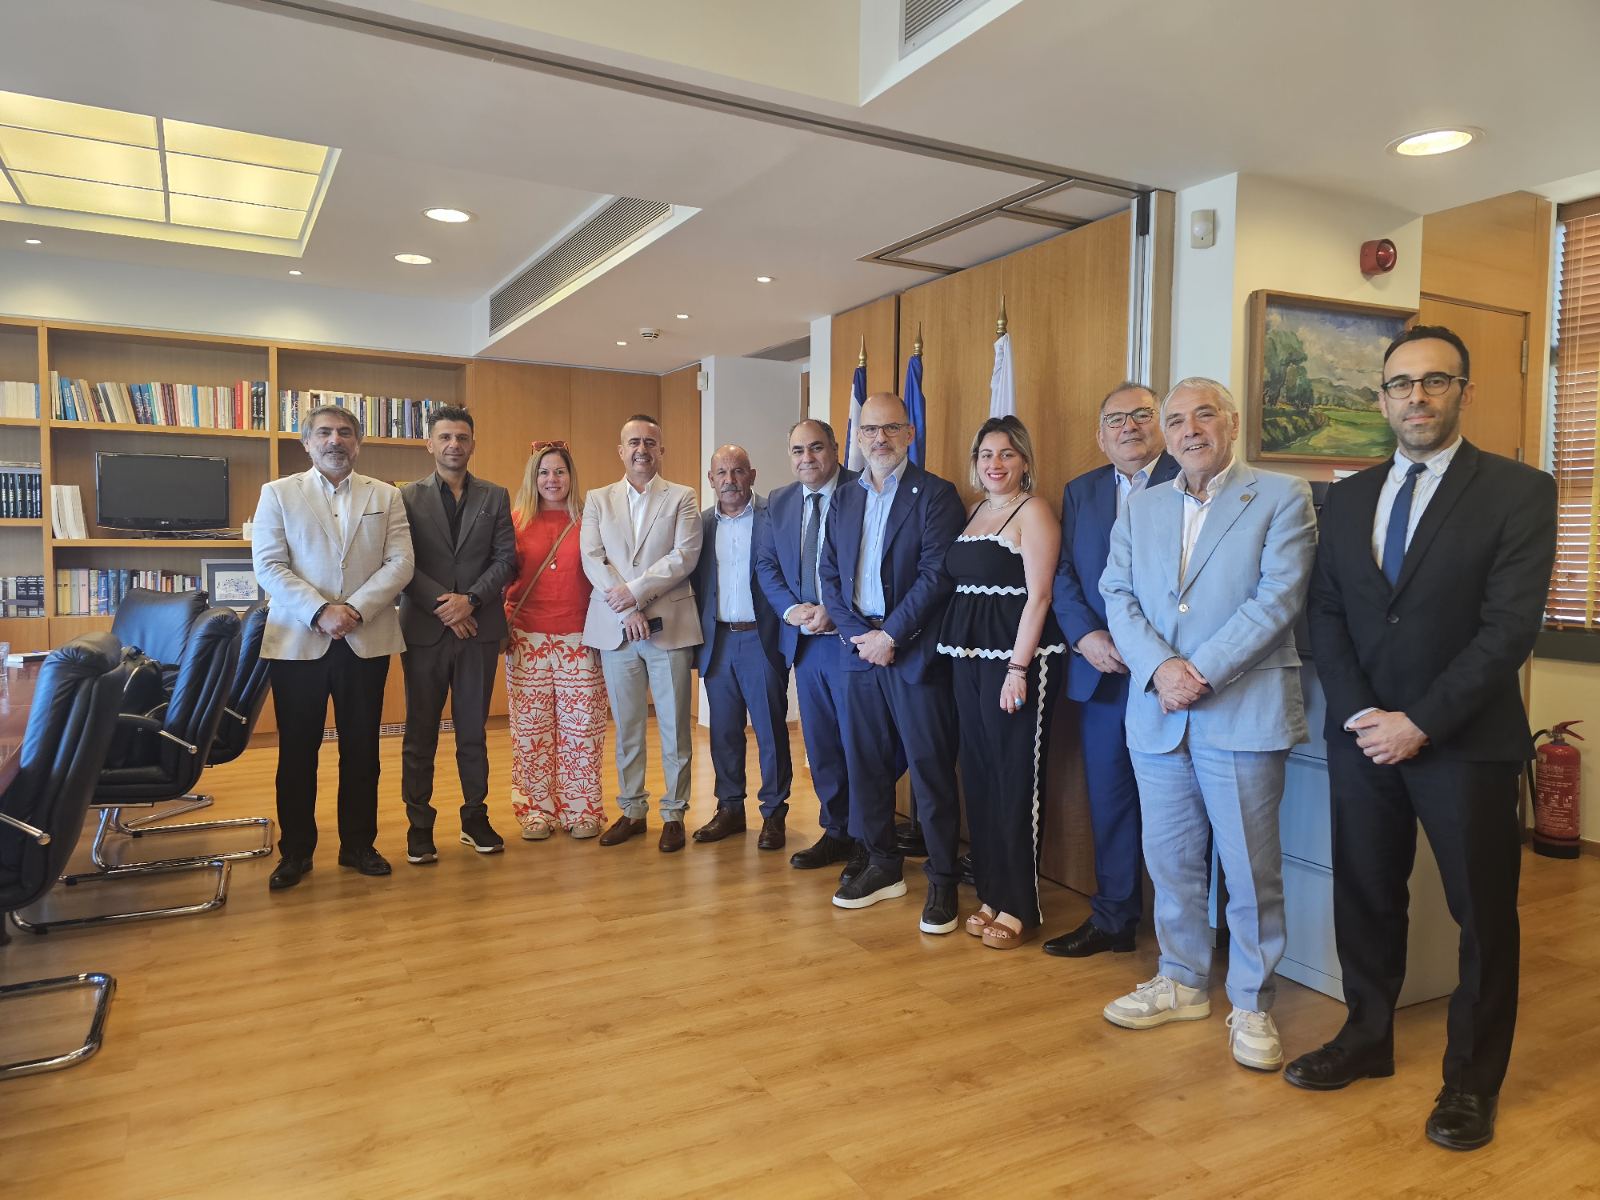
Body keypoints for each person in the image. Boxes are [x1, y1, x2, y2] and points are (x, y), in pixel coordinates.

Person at [1285, 327, 1557, 1152]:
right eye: (1401, 383)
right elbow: (1326, 612)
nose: (1417, 396)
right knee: (1367, 895)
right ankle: (1367, 1036)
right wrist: (1363, 715)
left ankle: (1472, 1082)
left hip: (1463, 742)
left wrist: (1421, 722)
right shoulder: (1350, 497)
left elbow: (1508, 629)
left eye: (1435, 381)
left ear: (1464, 391)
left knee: (1483, 916)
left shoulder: (1519, 491)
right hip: (1363, 738)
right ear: (1381, 398)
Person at [1099, 377, 1315, 1073]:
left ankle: (1251, 1001)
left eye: (1203, 416)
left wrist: (1198, 673)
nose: (1189, 430)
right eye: (1176, 420)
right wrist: (1162, 669)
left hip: (1241, 709)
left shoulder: (1281, 495)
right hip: (1158, 712)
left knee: (1251, 872)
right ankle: (1183, 980)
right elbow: (1117, 594)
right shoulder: (1142, 506)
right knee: (1171, 862)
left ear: (1232, 422)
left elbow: (1277, 598)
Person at [818, 392, 964, 934]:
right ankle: (882, 865)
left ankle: (943, 878)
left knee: (929, 768)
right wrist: (860, 636)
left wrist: (891, 635)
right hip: (858, 651)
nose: (879, 439)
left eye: (891, 428)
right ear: (858, 437)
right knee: (865, 765)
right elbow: (829, 574)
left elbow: (936, 575)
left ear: (909, 433)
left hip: (913, 652)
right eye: (870, 430)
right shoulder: (845, 496)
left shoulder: (937, 494)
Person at [253, 404, 414, 890]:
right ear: (307, 442)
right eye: (324, 432)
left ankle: (358, 845)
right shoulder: (278, 493)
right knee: (297, 753)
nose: (335, 440)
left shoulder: (386, 495)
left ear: (358, 443)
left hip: (365, 638)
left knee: (363, 750)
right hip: (299, 640)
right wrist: (321, 611)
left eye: (345, 432)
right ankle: (296, 852)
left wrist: (355, 610)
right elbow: (269, 565)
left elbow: (401, 562)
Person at [1046, 383, 1179, 958]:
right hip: (1103, 673)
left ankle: (1189, 934)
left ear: (1161, 424)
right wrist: (1085, 635)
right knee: (1111, 797)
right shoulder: (1083, 491)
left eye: (1141, 415)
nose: (1129, 427)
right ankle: (1114, 918)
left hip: (1171, 675)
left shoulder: (1189, 478)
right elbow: (1064, 573)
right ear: (1100, 436)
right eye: (1115, 419)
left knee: (1179, 807)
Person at [936, 416, 1064, 949]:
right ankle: (990, 891)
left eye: (1007, 454)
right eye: (986, 454)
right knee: (981, 775)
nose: (995, 463)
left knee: (1015, 779)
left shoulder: (1033, 511)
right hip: (967, 657)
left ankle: (1018, 904)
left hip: (1017, 661)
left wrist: (1017, 669)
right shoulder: (973, 512)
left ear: (1024, 461)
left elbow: (1040, 596)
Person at [397, 405, 516, 865]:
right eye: (445, 437)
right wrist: (447, 606)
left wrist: (471, 600)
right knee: (420, 733)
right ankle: (419, 825)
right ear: (429, 444)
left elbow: (505, 559)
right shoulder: (405, 497)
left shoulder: (495, 496)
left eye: (462, 437)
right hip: (425, 630)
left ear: (472, 444)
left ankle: (474, 818)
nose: (454, 445)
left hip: (478, 630)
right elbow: (401, 562)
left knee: (473, 731)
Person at [581, 414, 703, 853]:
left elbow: (683, 557)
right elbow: (592, 557)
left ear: (661, 450)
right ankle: (632, 810)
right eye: (633, 442)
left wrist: (634, 595)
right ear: (621, 450)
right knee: (628, 726)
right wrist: (628, 607)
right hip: (617, 631)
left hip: (668, 628)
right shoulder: (597, 499)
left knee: (675, 728)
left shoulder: (683, 497)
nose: (641, 450)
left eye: (650, 442)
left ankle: (674, 813)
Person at [755, 419, 858, 869]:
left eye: (816, 448)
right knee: (821, 745)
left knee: (859, 743)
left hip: (851, 640)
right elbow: (767, 565)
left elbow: (874, 562)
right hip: (805, 642)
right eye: (798, 450)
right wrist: (792, 611)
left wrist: (836, 610)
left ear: (835, 449)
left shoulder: (862, 490)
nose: (807, 458)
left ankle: (867, 837)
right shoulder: (779, 500)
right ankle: (836, 831)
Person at [504, 440, 609, 841]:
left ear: (571, 476)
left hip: (580, 639)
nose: (552, 479)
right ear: (533, 477)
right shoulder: (515, 520)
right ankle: (535, 810)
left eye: (560, 471)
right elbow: (502, 576)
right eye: (544, 472)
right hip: (526, 638)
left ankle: (582, 810)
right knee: (532, 732)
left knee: (582, 731)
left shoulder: (589, 519)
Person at [691, 445, 792, 849]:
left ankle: (774, 813)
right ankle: (730, 808)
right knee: (724, 732)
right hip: (717, 640)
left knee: (770, 731)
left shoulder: (775, 516)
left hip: (761, 639)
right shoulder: (700, 525)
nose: (730, 480)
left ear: (752, 475)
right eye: (721, 473)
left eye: (737, 471)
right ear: (711, 479)